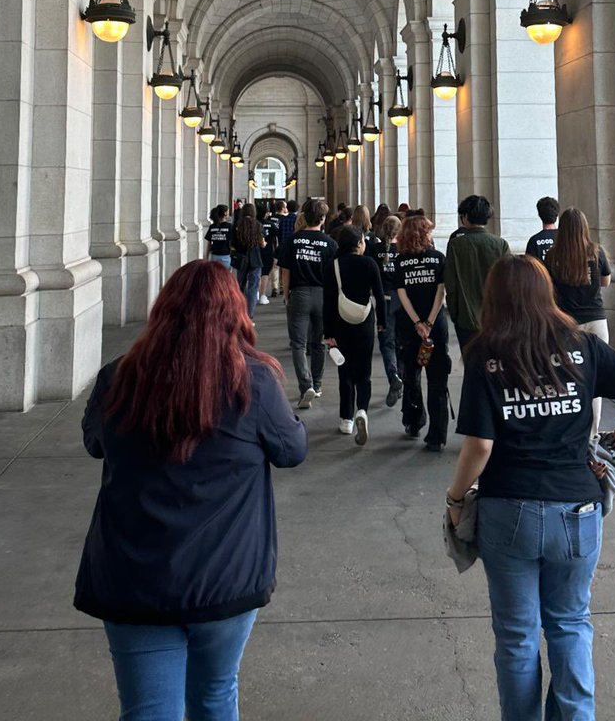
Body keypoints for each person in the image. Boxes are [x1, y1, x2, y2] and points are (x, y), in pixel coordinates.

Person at [74, 260, 308, 721]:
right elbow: (292, 449)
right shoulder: (254, 383)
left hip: (133, 578)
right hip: (225, 578)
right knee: (215, 696)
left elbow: (93, 442)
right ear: (234, 313)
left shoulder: (118, 377)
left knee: (147, 711)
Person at [448, 255, 615, 721]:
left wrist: (456, 499)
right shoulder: (582, 345)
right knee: (570, 624)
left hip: (509, 509)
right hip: (577, 506)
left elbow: (480, 444)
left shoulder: (486, 354)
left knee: (518, 635)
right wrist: (613, 449)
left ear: (494, 299)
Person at [544, 208, 613, 433]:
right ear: (584, 227)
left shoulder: (553, 255)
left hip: (566, 323)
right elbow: (606, 281)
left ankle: (569, 428)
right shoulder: (596, 251)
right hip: (596, 320)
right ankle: (592, 433)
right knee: (595, 378)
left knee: (566, 377)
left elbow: (548, 289)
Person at [322, 224, 387, 446]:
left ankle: (346, 419)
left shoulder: (334, 266)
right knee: (364, 371)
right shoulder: (369, 264)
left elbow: (328, 301)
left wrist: (328, 332)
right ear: (359, 243)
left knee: (345, 372)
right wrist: (383, 323)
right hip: (365, 322)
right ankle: (362, 411)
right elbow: (379, 294)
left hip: (341, 323)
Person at [394, 214, 450, 452]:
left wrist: (417, 322)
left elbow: (402, 294)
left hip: (409, 327)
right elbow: (441, 293)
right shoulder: (438, 259)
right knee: (437, 379)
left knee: (412, 374)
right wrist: (429, 321)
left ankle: (414, 420)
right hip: (435, 327)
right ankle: (436, 435)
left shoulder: (400, 261)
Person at [277, 197, 338, 409]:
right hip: (323, 295)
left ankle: (306, 385)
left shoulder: (292, 241)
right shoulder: (330, 244)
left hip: (299, 293)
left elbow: (286, 272)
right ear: (322, 219)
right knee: (319, 342)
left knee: (298, 344)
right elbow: (334, 276)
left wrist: (286, 294)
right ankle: (318, 384)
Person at [444, 195, 510, 350]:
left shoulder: (456, 245)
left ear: (466, 217)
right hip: (495, 317)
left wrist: (455, 314)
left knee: (471, 366)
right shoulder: (500, 244)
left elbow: (451, 284)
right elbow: (508, 282)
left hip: (466, 318)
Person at [360, 206, 403, 406]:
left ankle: (394, 376)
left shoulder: (374, 249)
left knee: (387, 344)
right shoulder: (403, 252)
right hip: (402, 302)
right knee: (402, 342)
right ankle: (402, 377)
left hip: (383, 302)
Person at [233, 203, 264, 320]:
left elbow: (233, 243)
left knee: (240, 285)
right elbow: (262, 243)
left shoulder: (237, 225)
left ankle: (238, 312)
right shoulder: (258, 225)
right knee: (253, 287)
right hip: (255, 258)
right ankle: (249, 315)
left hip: (241, 259)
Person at [258, 203, 279, 305]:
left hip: (255, 251)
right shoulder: (271, 224)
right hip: (268, 251)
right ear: (266, 213)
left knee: (256, 271)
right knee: (265, 273)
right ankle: (262, 295)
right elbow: (275, 239)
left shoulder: (255, 223)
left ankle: (256, 293)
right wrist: (276, 250)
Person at [527, 196, 559, 262]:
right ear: (557, 214)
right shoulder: (565, 237)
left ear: (539, 215)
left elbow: (530, 266)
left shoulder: (534, 241)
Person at [204, 205, 233, 269]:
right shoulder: (229, 227)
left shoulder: (212, 227)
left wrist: (206, 256)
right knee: (225, 277)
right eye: (228, 212)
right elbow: (231, 242)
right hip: (225, 256)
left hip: (214, 256)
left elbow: (209, 243)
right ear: (225, 213)